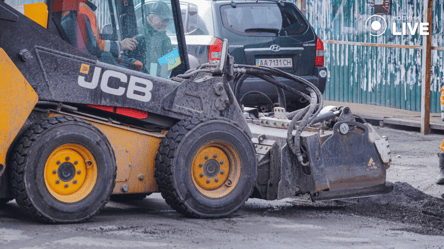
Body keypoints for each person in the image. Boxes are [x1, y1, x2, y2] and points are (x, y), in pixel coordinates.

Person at [141, 1, 173, 75]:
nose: (165, 24)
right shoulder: (139, 31)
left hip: (157, 79)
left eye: (167, 21)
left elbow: (168, 66)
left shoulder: (165, 39)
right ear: (152, 17)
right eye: (163, 20)